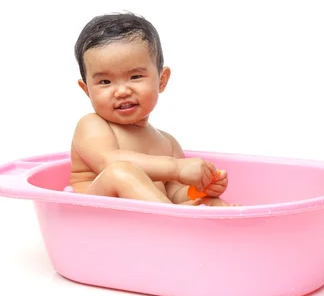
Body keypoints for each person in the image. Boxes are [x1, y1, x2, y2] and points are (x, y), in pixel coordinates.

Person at [66, 12, 237, 207]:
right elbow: (109, 162)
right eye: (105, 82)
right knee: (119, 171)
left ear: (161, 80)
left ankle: (209, 224)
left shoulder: (168, 143)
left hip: (145, 222)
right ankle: (174, 220)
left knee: (211, 202)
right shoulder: (92, 125)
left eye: (135, 77)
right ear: (87, 89)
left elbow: (174, 193)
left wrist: (198, 190)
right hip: (91, 218)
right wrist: (177, 168)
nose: (122, 91)